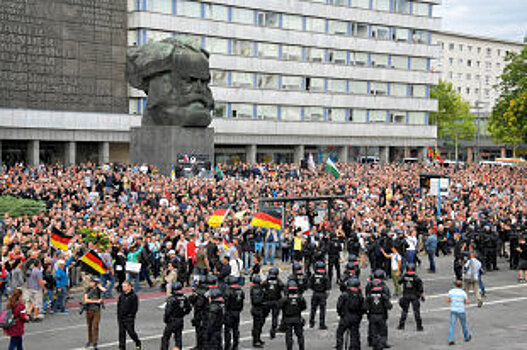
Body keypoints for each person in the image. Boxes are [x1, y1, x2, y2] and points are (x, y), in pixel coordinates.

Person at [365, 270, 392, 350]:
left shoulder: (369, 285)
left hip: (371, 311)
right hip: (382, 311)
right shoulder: (384, 287)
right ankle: (382, 342)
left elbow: (366, 296)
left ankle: (372, 341)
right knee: (382, 329)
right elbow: (388, 299)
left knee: (372, 327)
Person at [161, 282, 192, 350]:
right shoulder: (184, 298)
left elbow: (168, 311)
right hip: (180, 320)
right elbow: (189, 308)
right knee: (178, 337)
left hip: (172, 320)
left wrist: (166, 319)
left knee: (166, 337)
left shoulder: (172, 299)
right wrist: (183, 314)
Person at [336, 277, 364, 350]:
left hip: (345, 317)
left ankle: (339, 347)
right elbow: (363, 308)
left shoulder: (344, 295)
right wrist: (359, 316)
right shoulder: (360, 296)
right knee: (354, 334)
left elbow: (339, 306)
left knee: (340, 333)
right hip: (355, 317)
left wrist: (341, 314)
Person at [397, 263, 424, 331]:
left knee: (404, 311)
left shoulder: (405, 276)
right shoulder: (416, 278)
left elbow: (399, 282)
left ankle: (401, 325)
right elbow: (421, 289)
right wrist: (422, 296)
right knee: (416, 311)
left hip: (406, 295)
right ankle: (419, 326)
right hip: (414, 296)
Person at [281, 280, 306, 350]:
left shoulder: (285, 298)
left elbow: (280, 306)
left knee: (289, 336)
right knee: (300, 335)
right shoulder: (300, 297)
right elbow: (304, 307)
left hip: (288, 318)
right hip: (297, 318)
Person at [83, 276, 107, 350]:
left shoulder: (98, 289)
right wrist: (96, 301)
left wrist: (99, 286)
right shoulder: (88, 289)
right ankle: (90, 340)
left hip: (96, 310)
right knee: (89, 326)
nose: (91, 283)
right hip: (89, 309)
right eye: (92, 282)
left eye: (93, 282)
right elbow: (86, 300)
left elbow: (105, 290)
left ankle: (95, 342)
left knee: (95, 326)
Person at [117, 281, 141, 350]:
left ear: (129, 287)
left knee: (131, 332)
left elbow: (135, 308)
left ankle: (137, 341)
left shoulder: (133, 296)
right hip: (121, 317)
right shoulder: (121, 296)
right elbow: (119, 305)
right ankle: (122, 347)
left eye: (124, 286)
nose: (123, 288)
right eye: (122, 286)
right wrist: (119, 315)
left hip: (129, 318)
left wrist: (130, 315)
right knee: (121, 333)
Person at [447, 280, 471, 345]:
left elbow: (448, 300)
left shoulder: (451, 291)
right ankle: (466, 337)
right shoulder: (463, 293)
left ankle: (451, 339)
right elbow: (467, 302)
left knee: (452, 325)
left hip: (453, 310)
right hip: (461, 310)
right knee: (463, 324)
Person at [262, 266, 284, 339]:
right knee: (275, 317)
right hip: (276, 301)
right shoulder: (278, 281)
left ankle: (260, 328)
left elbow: (262, 287)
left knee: (263, 316)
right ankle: (273, 331)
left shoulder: (267, 281)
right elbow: (283, 288)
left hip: (267, 301)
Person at [224, 276, 244, 350]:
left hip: (229, 312)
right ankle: (235, 345)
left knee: (228, 330)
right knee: (236, 329)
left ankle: (227, 345)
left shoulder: (228, 291)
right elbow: (242, 303)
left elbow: (226, 303)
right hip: (237, 312)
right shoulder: (240, 291)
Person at [308, 261, 330, 329]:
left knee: (313, 309)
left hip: (315, 293)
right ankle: (322, 324)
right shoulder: (325, 276)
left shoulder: (313, 275)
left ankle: (311, 322)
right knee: (322, 310)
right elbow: (328, 288)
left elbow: (309, 285)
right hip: (322, 294)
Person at [250, 274, 267, 348]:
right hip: (257, 309)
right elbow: (256, 300)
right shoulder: (256, 289)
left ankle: (258, 339)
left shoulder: (258, 288)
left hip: (259, 309)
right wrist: (263, 299)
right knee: (257, 326)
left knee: (259, 325)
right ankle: (255, 340)